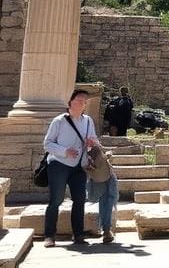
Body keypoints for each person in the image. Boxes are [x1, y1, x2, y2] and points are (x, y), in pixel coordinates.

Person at [42, 89, 99, 247]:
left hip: (79, 166)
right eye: (79, 101)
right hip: (59, 164)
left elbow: (94, 139)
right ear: (70, 102)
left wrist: (91, 143)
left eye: (84, 102)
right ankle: (49, 236)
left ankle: (78, 234)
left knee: (80, 200)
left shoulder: (88, 121)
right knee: (56, 200)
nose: (82, 104)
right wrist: (65, 151)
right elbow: (47, 144)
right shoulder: (59, 121)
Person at [86, 143, 119, 244]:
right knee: (107, 201)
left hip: (97, 170)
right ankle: (106, 230)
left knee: (105, 201)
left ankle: (106, 230)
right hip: (97, 170)